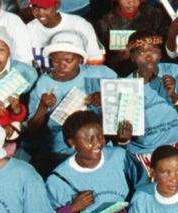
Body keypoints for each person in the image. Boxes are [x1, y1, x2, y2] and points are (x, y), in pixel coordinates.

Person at [25, 32, 114, 170]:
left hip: (98, 144)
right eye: (55, 60)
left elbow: (128, 98)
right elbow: (32, 131)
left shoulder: (99, 74)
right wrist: (42, 107)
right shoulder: (43, 84)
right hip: (61, 151)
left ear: (80, 59)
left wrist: (106, 97)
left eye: (68, 60)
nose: (61, 66)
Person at [120, 30, 178, 169]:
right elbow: (124, 136)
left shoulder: (175, 72)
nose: (148, 56)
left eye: (153, 50)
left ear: (161, 53)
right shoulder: (125, 86)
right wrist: (124, 138)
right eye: (141, 52)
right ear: (132, 57)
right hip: (146, 153)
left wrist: (174, 96)